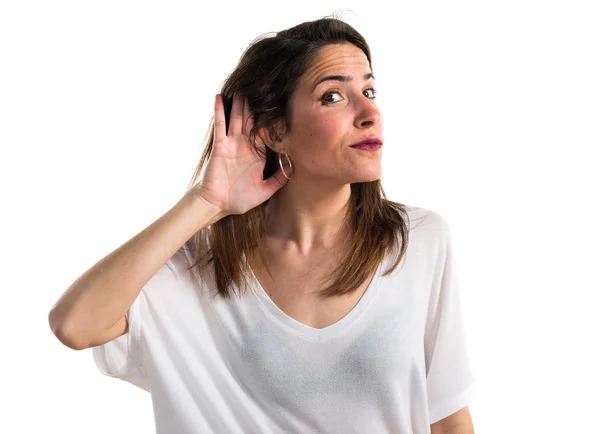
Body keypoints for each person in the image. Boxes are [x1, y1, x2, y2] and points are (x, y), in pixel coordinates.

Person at [48, 15, 477, 434]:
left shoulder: (418, 241)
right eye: (333, 96)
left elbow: (449, 419)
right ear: (274, 132)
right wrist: (206, 202)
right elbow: (75, 325)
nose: (369, 113)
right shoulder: (198, 271)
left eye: (369, 89)